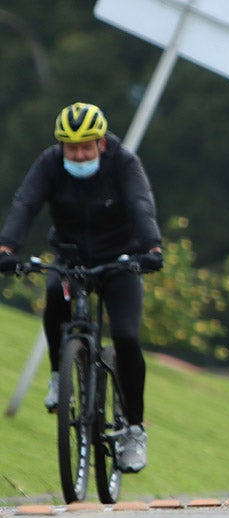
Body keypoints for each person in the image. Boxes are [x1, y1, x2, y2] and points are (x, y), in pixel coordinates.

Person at [0, 102, 163, 473]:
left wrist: (151, 247)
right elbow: (25, 204)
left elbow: (140, 204)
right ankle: (60, 376)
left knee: (125, 337)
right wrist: (7, 247)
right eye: (70, 148)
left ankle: (134, 429)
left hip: (119, 259)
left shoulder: (123, 163)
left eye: (86, 147)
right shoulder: (49, 164)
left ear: (101, 143)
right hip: (71, 256)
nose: (78, 154)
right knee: (56, 292)